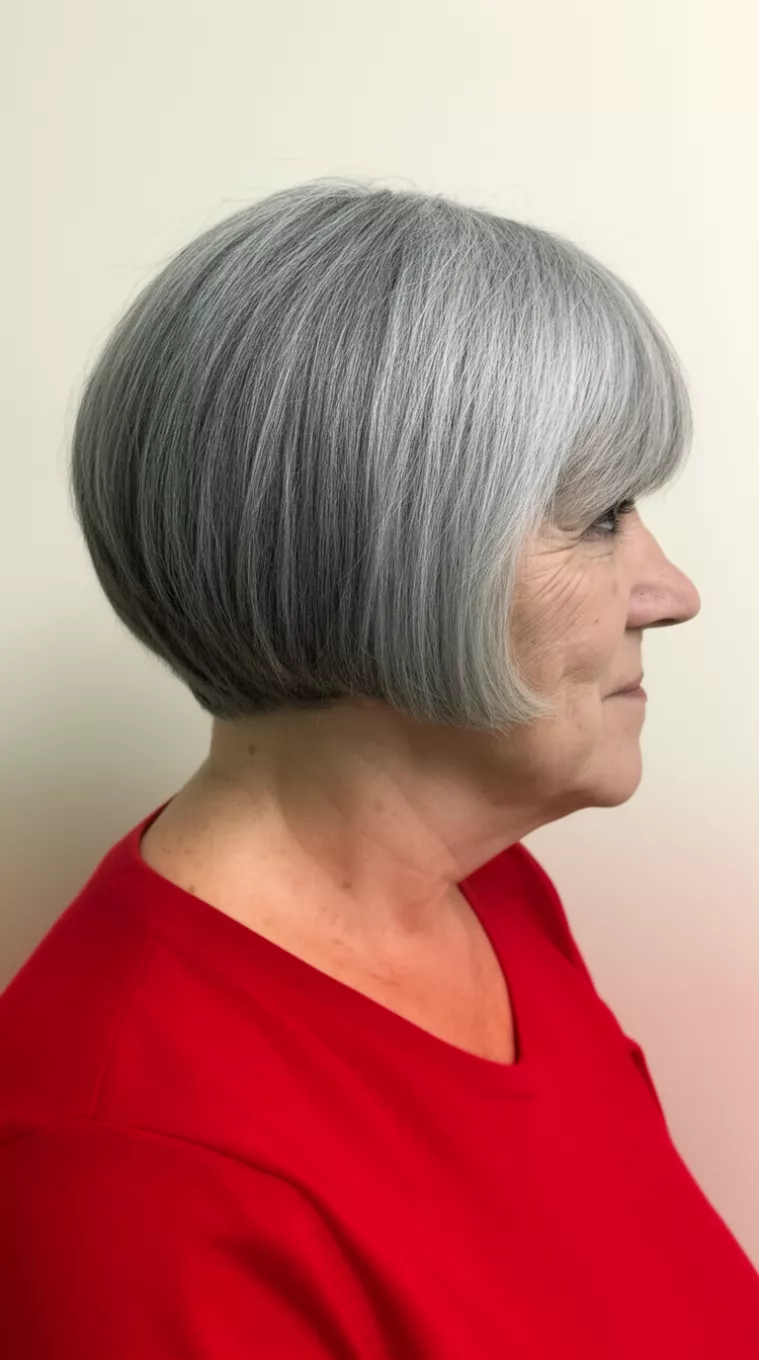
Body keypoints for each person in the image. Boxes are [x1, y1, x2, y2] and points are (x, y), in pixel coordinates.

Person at [2, 178, 758, 1359]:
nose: (673, 592)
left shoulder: (491, 896)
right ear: (388, 554)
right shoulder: (133, 1168)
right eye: (601, 517)